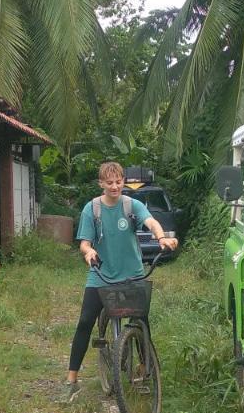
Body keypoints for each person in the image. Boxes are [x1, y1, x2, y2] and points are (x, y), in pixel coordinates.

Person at [64, 162, 178, 398]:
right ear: (101, 184)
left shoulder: (131, 205)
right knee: (85, 321)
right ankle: (71, 378)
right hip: (101, 275)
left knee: (141, 322)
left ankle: (145, 368)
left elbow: (151, 222)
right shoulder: (92, 209)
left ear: (123, 182)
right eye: (109, 183)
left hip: (132, 274)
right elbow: (84, 243)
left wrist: (161, 238)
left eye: (118, 182)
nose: (114, 186)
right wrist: (89, 252)